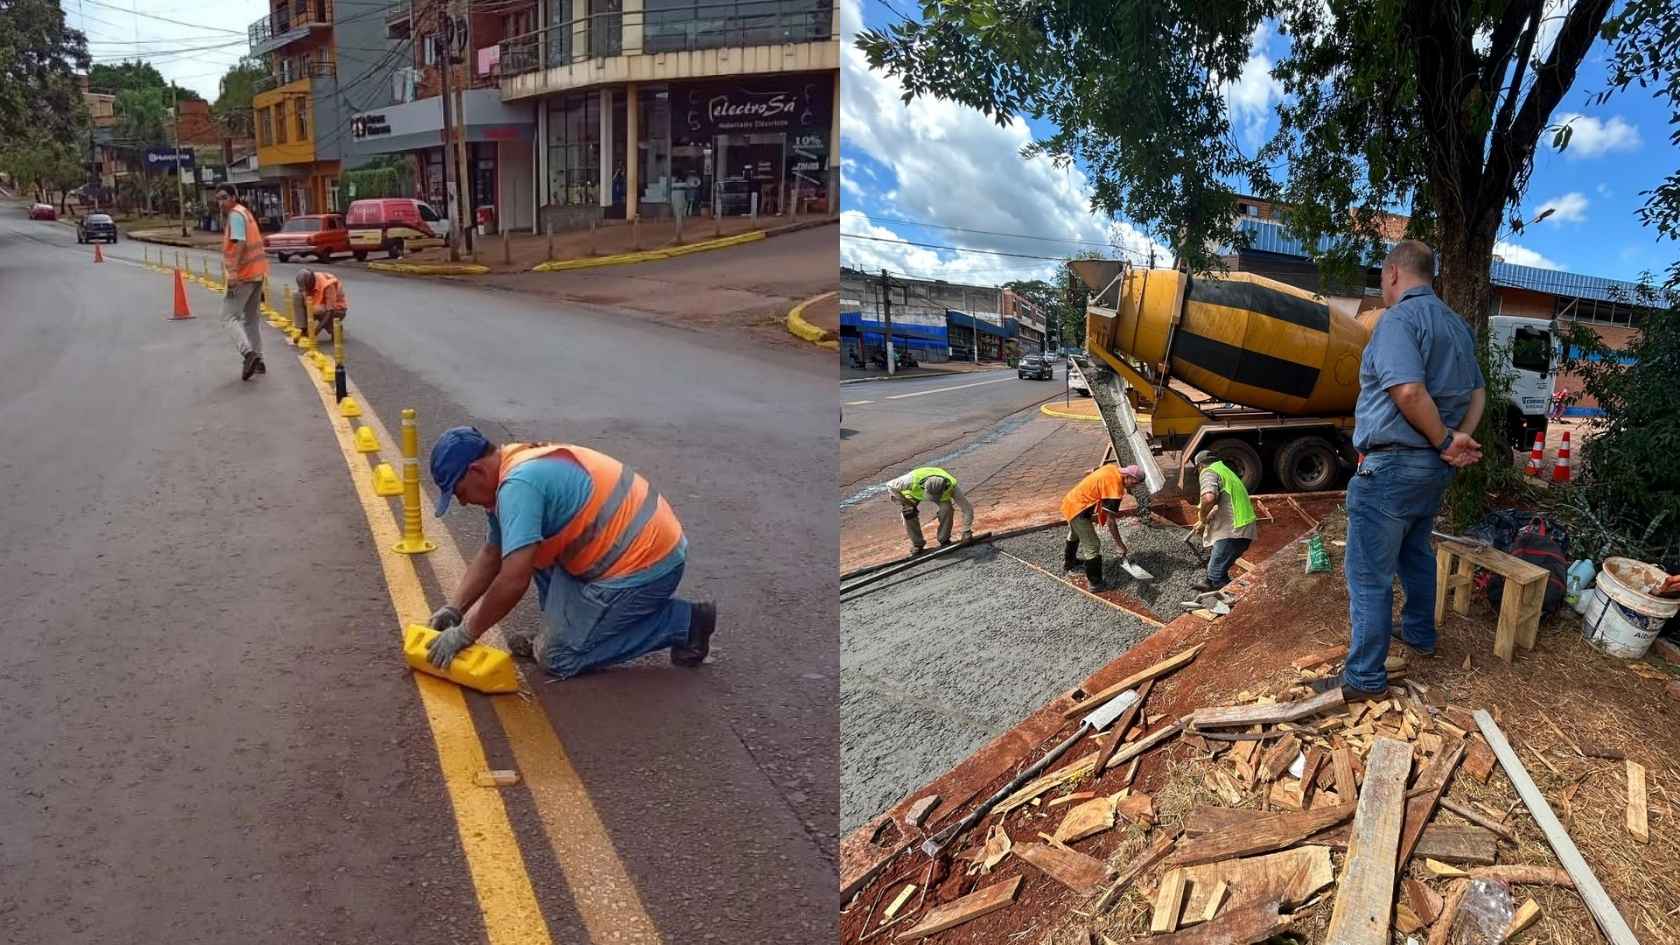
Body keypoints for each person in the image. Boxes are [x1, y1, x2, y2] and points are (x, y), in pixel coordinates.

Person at [422, 427, 718, 678]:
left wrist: (464, 635)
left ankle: (685, 623)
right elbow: (493, 552)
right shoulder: (510, 464)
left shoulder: (518, 486)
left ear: (476, 471)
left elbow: (513, 580)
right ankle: (566, 631)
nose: (461, 503)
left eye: (460, 492)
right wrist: (455, 609)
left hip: (647, 567)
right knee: (521, 547)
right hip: (625, 551)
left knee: (557, 657)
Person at [1338, 240, 1484, 702]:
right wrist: (1455, 440)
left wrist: (1445, 439)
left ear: (1395, 273)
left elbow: (1406, 391)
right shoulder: (1458, 326)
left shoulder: (1398, 320)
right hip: (1431, 471)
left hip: (1393, 465)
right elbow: (1478, 393)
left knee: (1368, 575)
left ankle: (1364, 677)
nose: (1383, 287)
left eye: (1381, 279)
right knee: (1415, 553)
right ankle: (1420, 632)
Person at [1060, 463, 1144, 591]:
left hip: (1070, 501)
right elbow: (1111, 521)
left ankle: (1070, 563)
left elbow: (1093, 470)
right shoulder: (1114, 489)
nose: (1134, 487)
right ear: (1127, 476)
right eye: (1134, 483)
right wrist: (1120, 544)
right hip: (1078, 510)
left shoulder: (1112, 468)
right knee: (1093, 545)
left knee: (1075, 533)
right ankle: (1095, 583)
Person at [215, 184, 270, 380]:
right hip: (256, 274)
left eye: (223, 198)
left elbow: (239, 242)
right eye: (218, 199)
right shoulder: (245, 213)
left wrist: (233, 273)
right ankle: (259, 361)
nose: (220, 203)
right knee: (251, 319)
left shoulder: (236, 216)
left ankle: (248, 354)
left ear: (233, 197)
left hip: (244, 276)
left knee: (228, 316)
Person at [1188, 451, 1257, 592]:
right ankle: (1211, 585)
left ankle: (1230, 606)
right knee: (1218, 570)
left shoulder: (1208, 472)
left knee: (1216, 574)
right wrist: (1203, 521)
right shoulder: (1225, 471)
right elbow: (1221, 502)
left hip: (1233, 531)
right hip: (1243, 528)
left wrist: (1202, 518)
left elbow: (1208, 498)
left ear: (1200, 466)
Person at [884, 467, 974, 553]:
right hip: (913, 494)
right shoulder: (910, 480)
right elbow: (890, 486)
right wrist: (906, 503)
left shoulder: (952, 487)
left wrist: (966, 531)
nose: (931, 499)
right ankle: (917, 544)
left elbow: (967, 509)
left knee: (947, 510)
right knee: (908, 513)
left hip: (942, 497)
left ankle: (944, 539)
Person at [294, 269, 347, 340]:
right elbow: (303, 295)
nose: (306, 290)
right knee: (297, 296)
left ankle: (334, 328)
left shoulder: (328, 284)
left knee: (317, 309)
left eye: (307, 288)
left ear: (311, 281)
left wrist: (316, 331)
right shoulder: (309, 281)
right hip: (317, 306)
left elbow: (330, 310)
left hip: (337, 310)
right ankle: (304, 330)